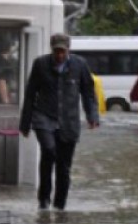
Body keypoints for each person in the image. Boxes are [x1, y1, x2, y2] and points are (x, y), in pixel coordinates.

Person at [19, 33, 100, 210]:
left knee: (64, 166)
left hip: (69, 122)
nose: (60, 55)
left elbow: (88, 93)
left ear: (68, 50)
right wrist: (25, 123)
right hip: (44, 117)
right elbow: (31, 94)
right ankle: (43, 200)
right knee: (49, 150)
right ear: (52, 49)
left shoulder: (80, 65)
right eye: (57, 51)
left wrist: (92, 116)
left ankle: (59, 205)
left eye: (63, 51)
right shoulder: (40, 64)